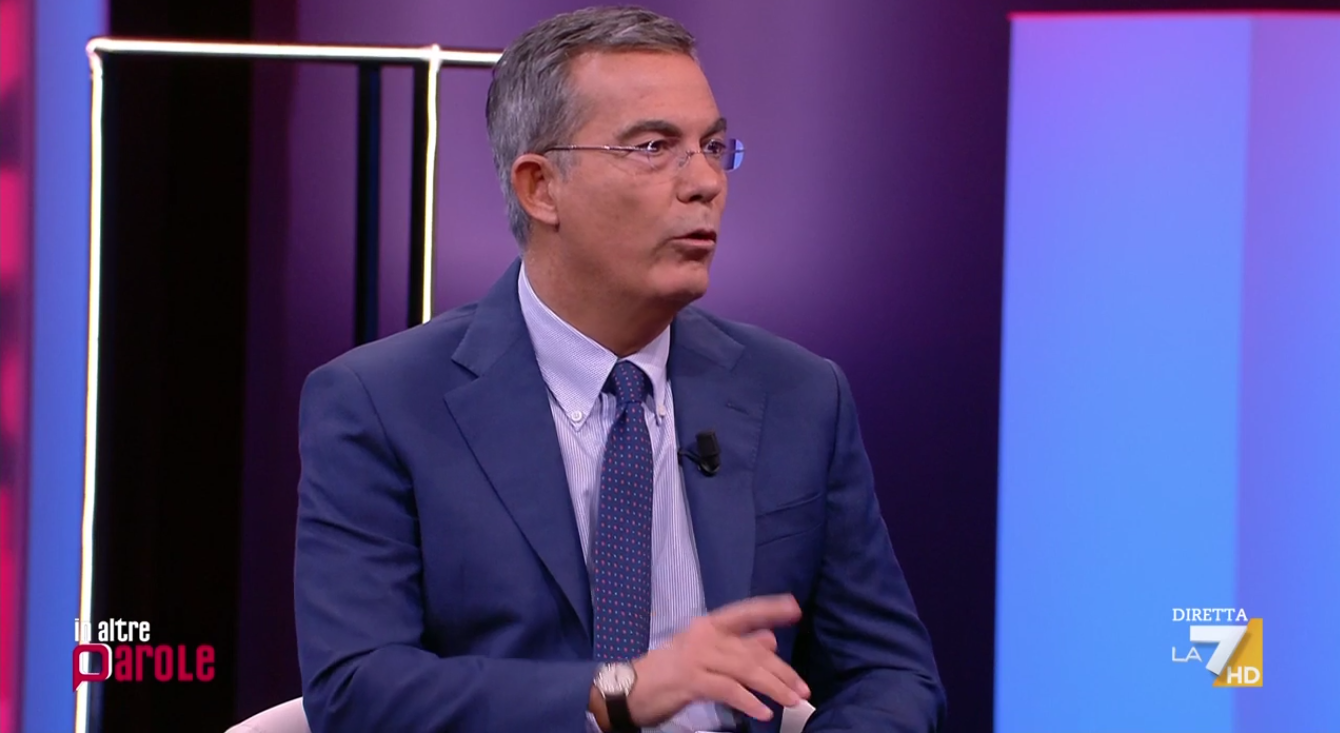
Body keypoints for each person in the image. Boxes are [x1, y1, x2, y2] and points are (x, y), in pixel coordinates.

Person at [293, 6, 944, 732]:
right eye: (654, 147)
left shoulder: (798, 395)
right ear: (541, 187)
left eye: (713, 146)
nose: (705, 182)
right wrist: (620, 690)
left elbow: (890, 676)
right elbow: (357, 690)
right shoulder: (382, 403)